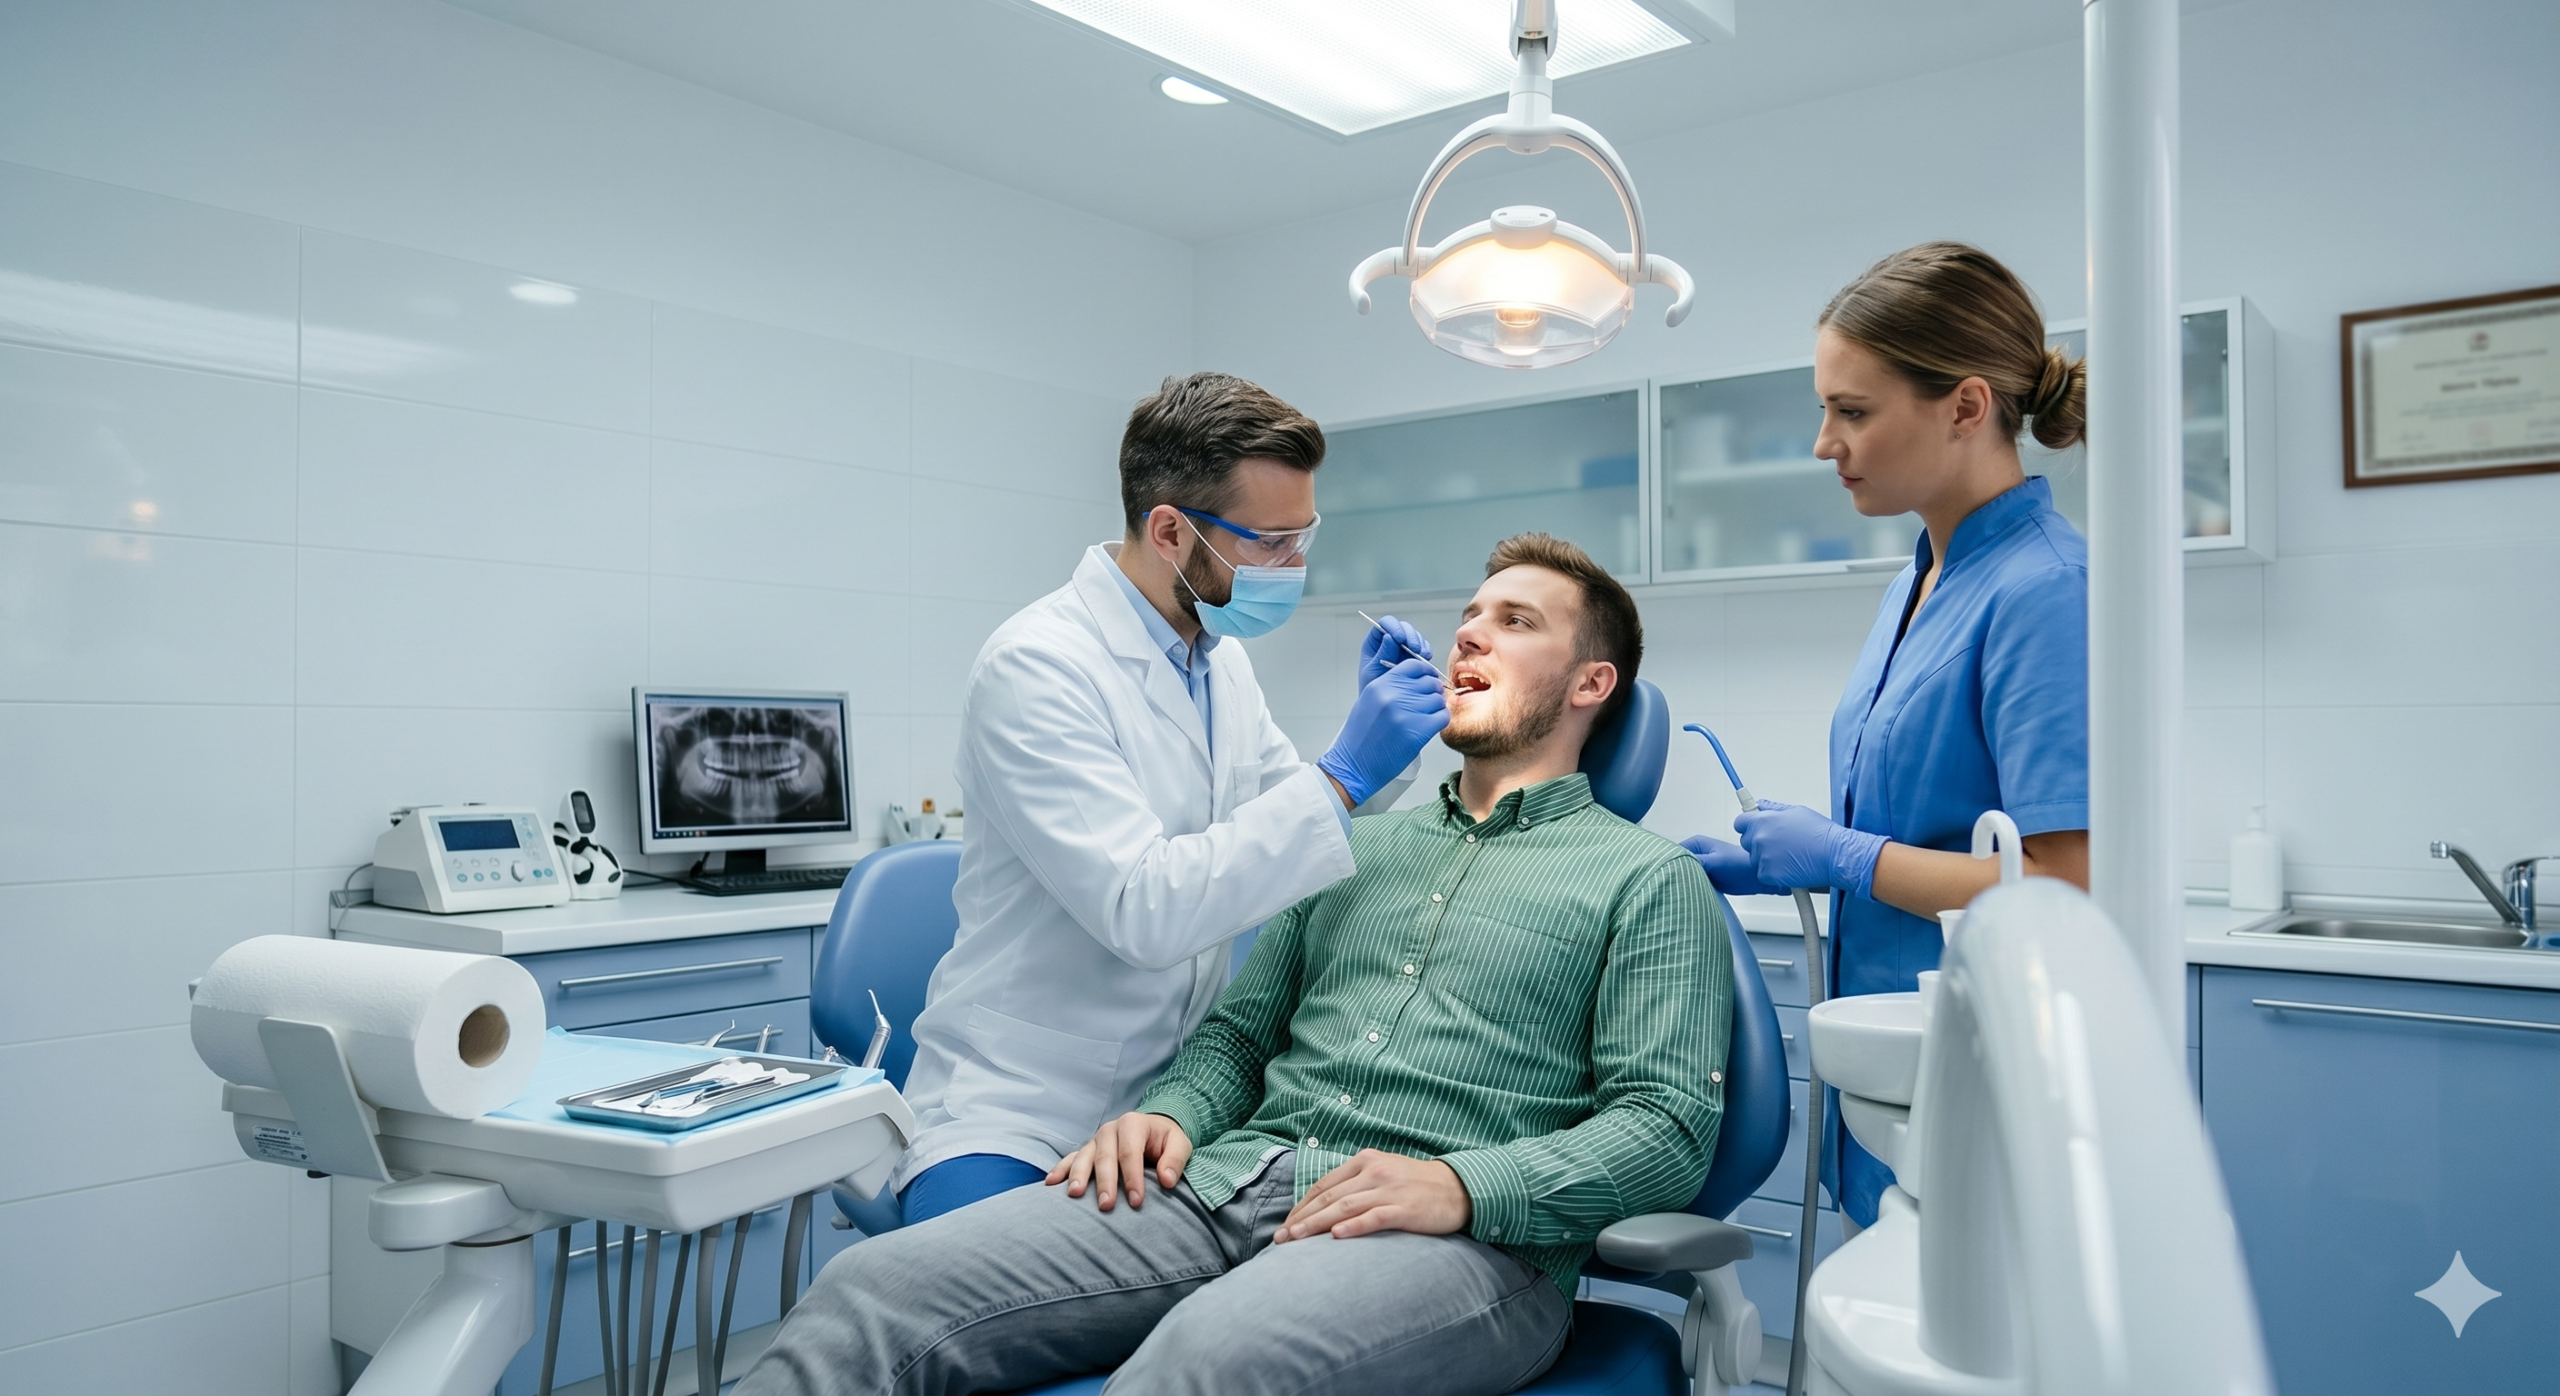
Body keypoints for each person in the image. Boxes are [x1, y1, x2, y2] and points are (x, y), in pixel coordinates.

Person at [741, 534, 1732, 1396]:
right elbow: (1239, 1034)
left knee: (1204, 1366)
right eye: (1468, 616)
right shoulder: (1348, 843)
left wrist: (1463, 1186)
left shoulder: (1646, 879)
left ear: (1590, 683)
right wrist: (1172, 1112)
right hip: (1221, 1183)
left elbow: (1665, 1128)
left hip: (1454, 1244)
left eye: (1514, 621)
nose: (1469, 634)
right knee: (872, 1291)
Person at [887, 372, 1452, 1226]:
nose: (1293, 566)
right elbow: (1144, 906)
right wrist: (1341, 771)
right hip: (1022, 1108)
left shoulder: (1218, 659)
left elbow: (1287, 835)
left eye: (1304, 537)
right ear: (1169, 530)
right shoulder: (1038, 667)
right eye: (1270, 543)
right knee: (981, 1320)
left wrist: (1379, 765)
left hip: (1172, 1108)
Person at [1684, 242, 2091, 1230]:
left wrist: (1846, 857)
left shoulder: (2044, 590)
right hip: (1901, 1068)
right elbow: (1939, 823)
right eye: (1825, 408)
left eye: (1852, 411)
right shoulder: (1921, 578)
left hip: (1991, 1070)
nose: (1825, 442)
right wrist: (1803, 864)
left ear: (1964, 405)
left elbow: (2067, 887)